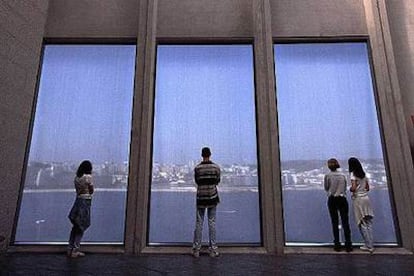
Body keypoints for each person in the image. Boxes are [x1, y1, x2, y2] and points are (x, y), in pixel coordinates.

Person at [192, 147, 221, 258]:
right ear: (210, 154)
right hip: (212, 196)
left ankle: (196, 249)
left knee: (199, 223)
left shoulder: (197, 168)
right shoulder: (216, 168)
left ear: (201, 155)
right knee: (212, 222)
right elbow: (217, 181)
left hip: (201, 197)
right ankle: (213, 250)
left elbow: (197, 181)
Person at [324, 158, 353, 252]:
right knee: (345, 222)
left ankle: (337, 244)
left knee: (334, 222)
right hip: (342, 199)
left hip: (332, 199)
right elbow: (345, 187)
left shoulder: (328, 176)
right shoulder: (342, 175)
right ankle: (348, 244)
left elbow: (326, 187)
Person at [67, 160, 94, 258]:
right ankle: (75, 250)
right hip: (85, 202)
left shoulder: (77, 178)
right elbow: (91, 191)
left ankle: (70, 248)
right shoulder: (88, 178)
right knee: (81, 226)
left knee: (75, 226)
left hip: (78, 201)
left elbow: (78, 191)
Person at [348, 157, 374, 253]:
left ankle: (368, 245)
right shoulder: (364, 174)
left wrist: (350, 189)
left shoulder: (353, 175)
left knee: (362, 222)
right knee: (368, 222)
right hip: (366, 198)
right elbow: (367, 188)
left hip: (358, 199)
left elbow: (353, 188)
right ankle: (371, 244)